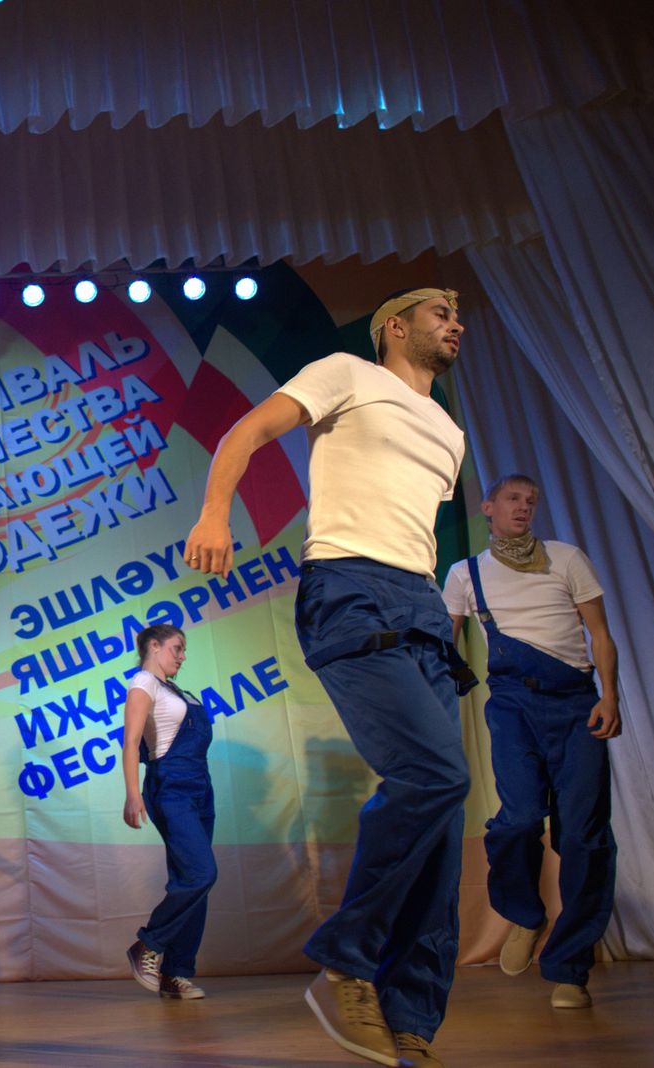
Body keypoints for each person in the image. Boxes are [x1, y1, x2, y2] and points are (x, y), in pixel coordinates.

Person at [184, 289, 476, 1068]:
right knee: (436, 775)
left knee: (443, 818)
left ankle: (411, 1017)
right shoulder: (348, 372)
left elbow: (414, 529)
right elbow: (248, 430)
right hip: (349, 587)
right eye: (439, 312)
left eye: (459, 315)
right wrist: (215, 512)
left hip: (421, 605)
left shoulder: (450, 430)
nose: (455, 322)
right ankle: (346, 959)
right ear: (395, 326)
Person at [442, 474, 620, 1010]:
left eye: (531, 501)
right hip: (513, 705)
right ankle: (524, 913)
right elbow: (446, 647)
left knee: (584, 837)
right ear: (489, 507)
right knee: (518, 820)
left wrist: (610, 696)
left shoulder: (566, 558)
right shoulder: (466, 573)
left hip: (575, 704)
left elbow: (600, 634)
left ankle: (570, 970)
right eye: (514, 499)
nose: (524, 507)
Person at [119, 623, 216, 1002]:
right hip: (171, 786)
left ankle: (176, 973)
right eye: (177, 648)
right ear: (154, 646)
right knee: (201, 873)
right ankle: (148, 944)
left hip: (200, 787)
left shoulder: (178, 691)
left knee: (194, 881)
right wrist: (132, 794)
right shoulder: (143, 682)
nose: (183, 656)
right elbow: (130, 742)